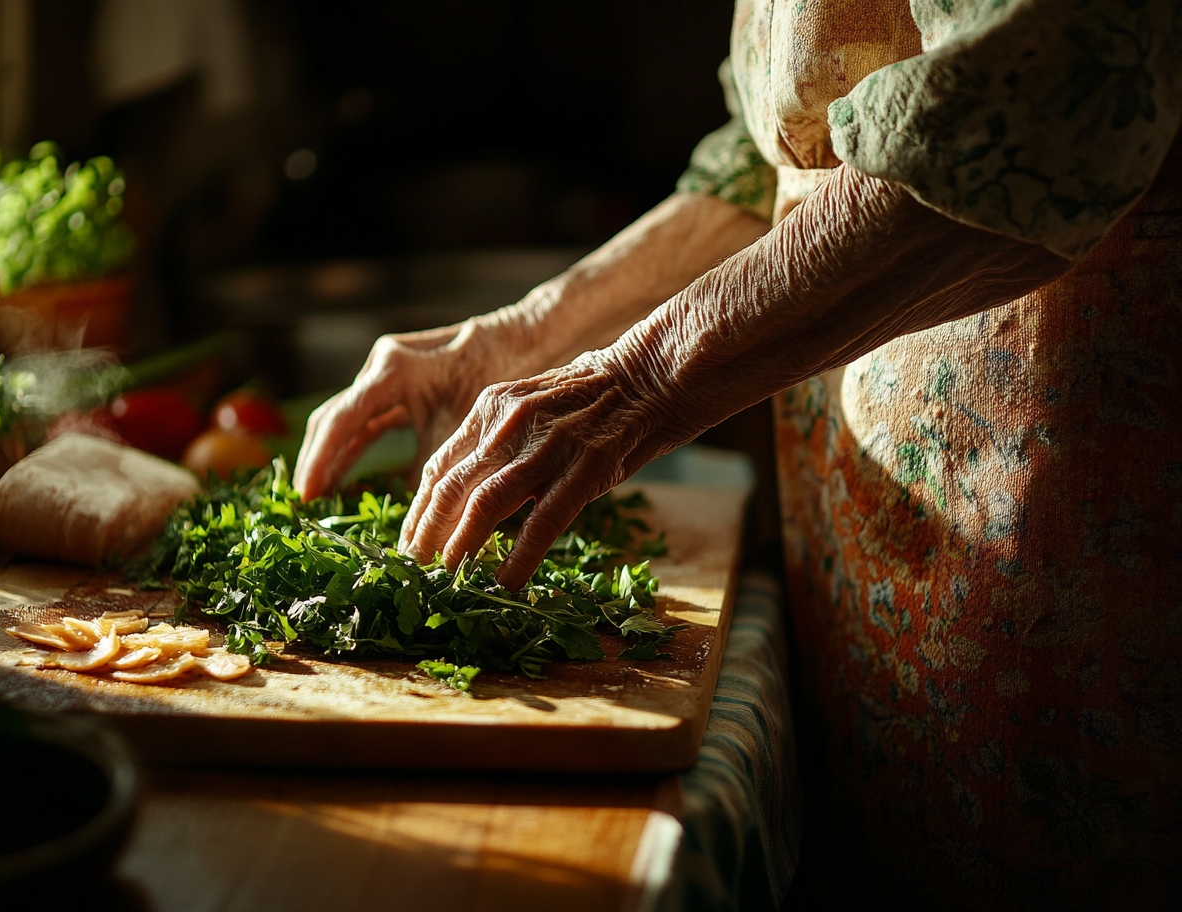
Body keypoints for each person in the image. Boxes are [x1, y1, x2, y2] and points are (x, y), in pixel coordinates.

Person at [297, 1, 1182, 905]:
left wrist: (640, 378)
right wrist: (522, 334)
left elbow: (1048, 88)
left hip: (1073, 492)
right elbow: (772, 163)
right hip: (873, 532)